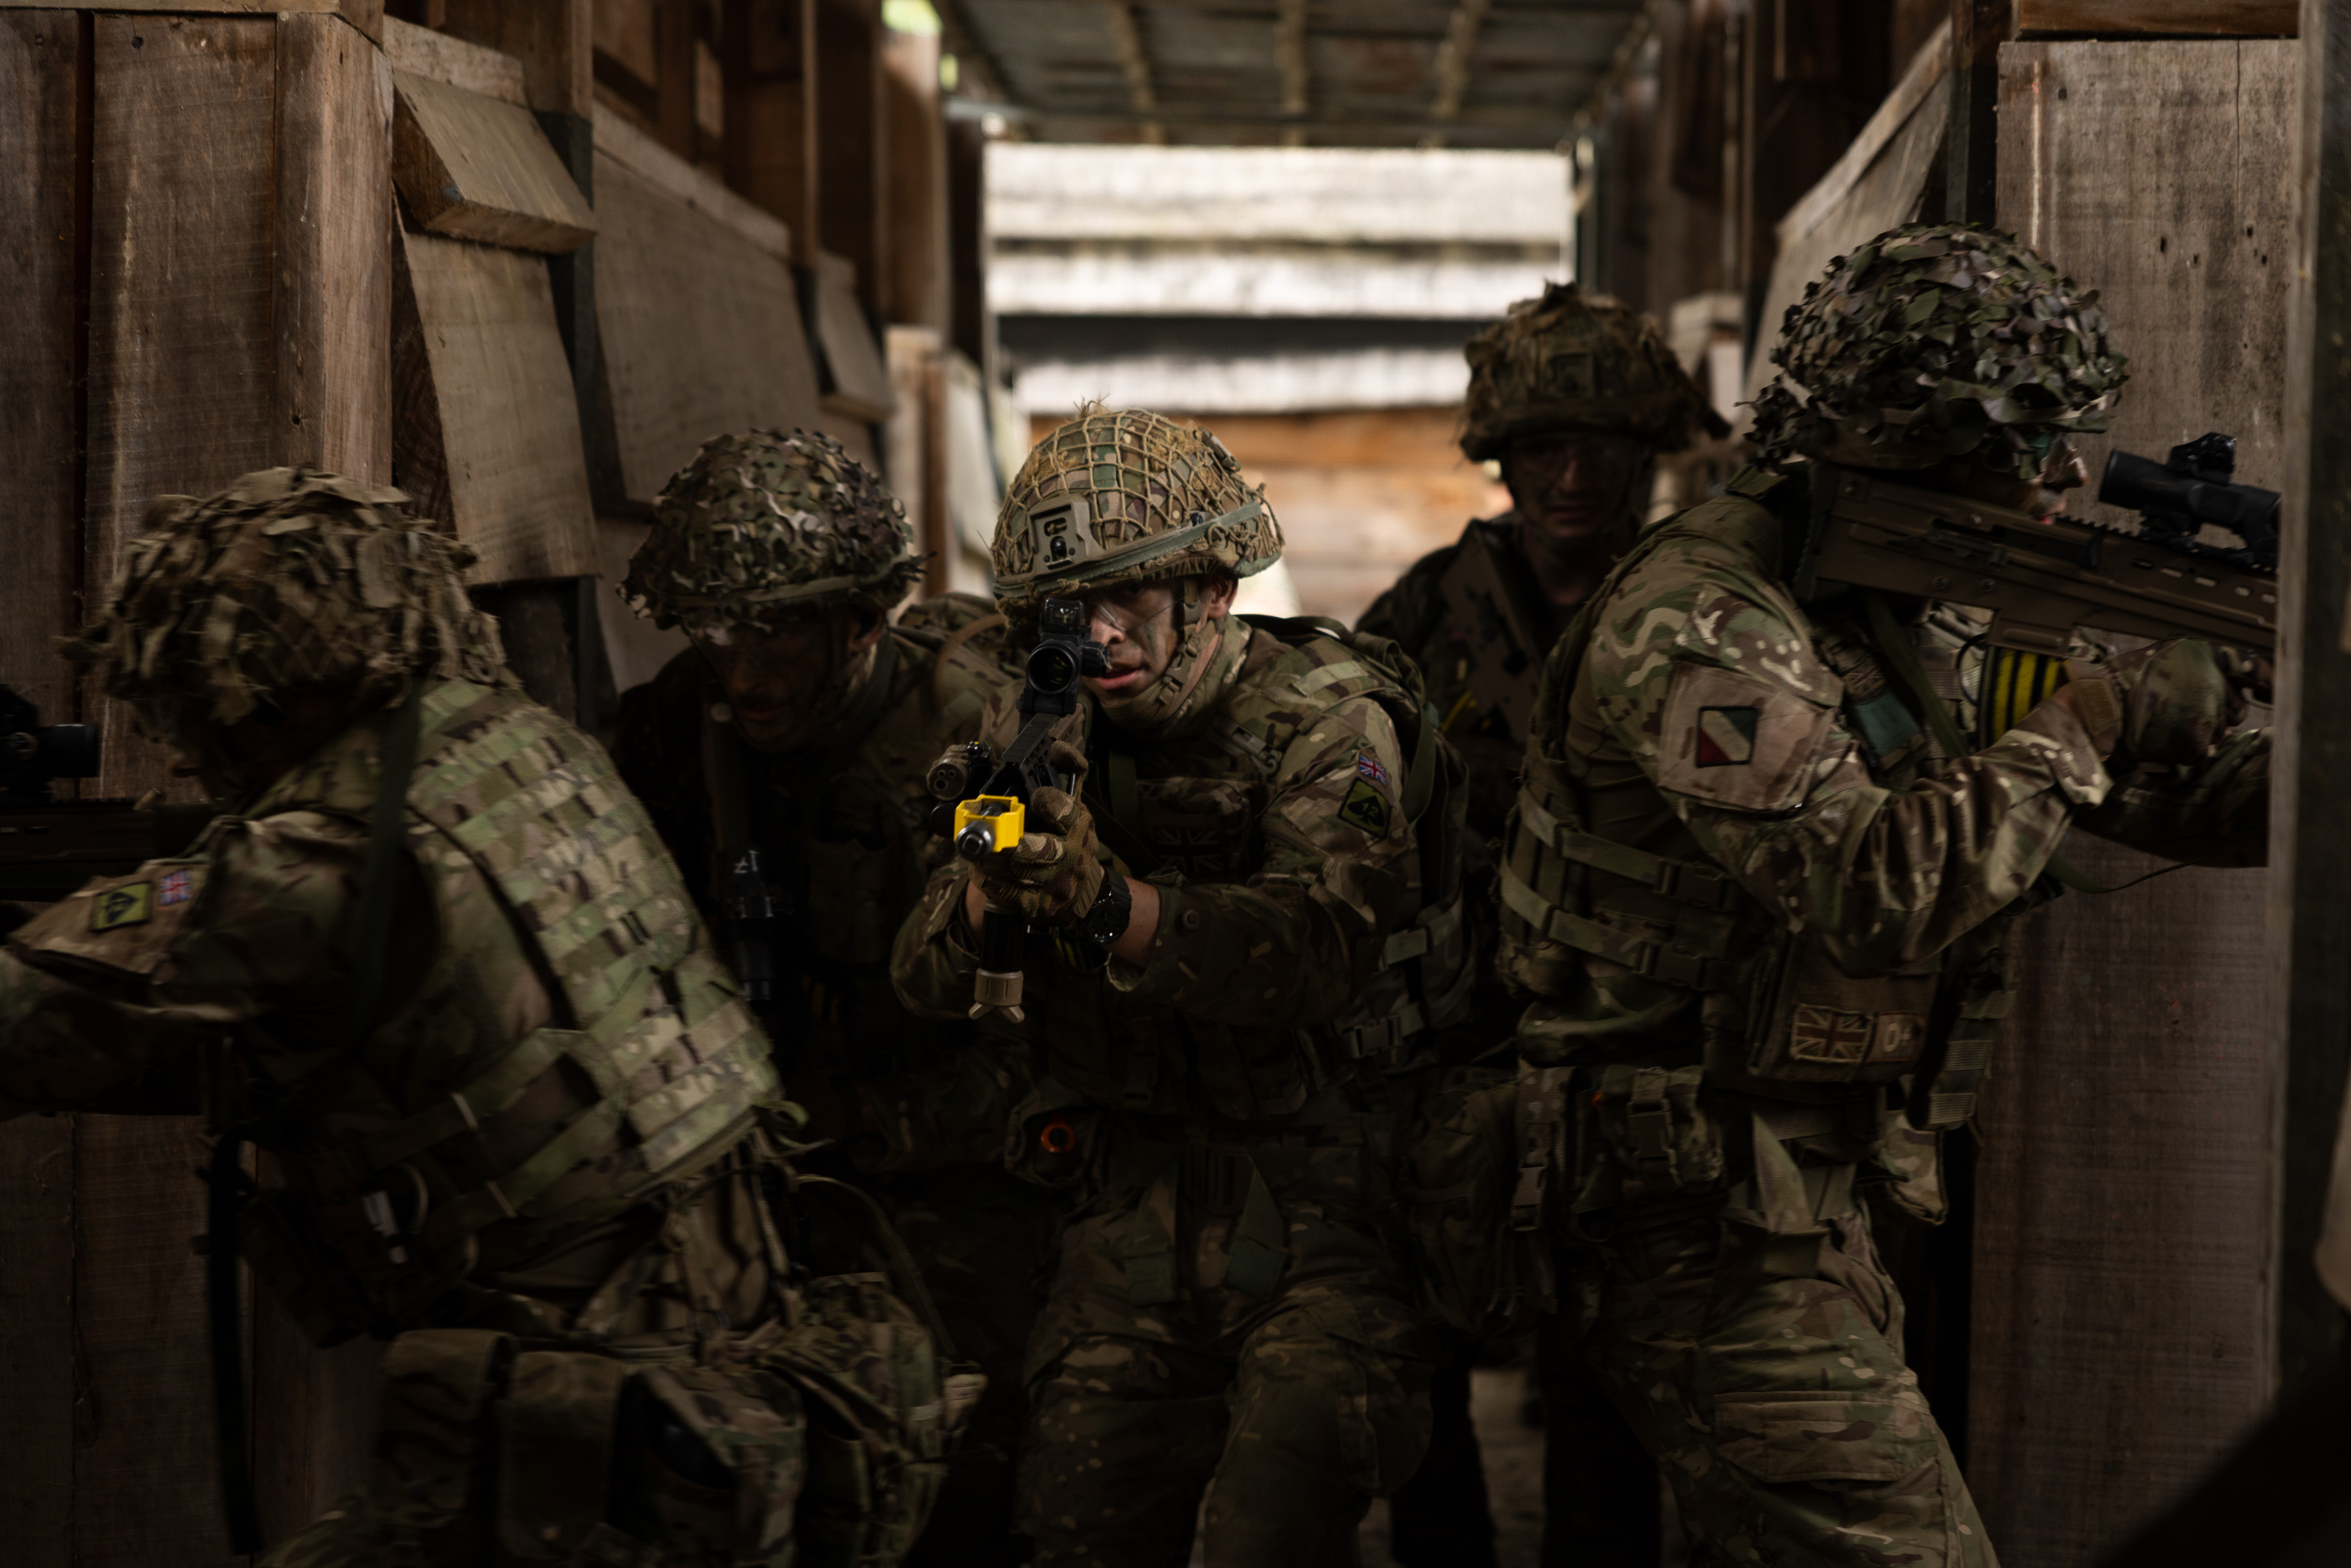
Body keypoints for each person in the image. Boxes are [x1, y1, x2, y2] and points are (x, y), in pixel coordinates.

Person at [0, 469, 966, 1567]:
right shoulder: (535, 751)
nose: (192, 751)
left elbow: (25, 1020)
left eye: (191, 711)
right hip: (744, 1381)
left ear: (262, 691)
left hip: (608, 1451)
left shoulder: (321, 860)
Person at [1494, 224, 2272, 1563]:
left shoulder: (1893, 600)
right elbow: (1869, 887)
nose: (2065, 475)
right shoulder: (1704, 615)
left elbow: (2137, 800)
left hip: (1801, 1199)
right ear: (1902, 448)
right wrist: (2106, 708)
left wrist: (2277, 751)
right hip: (1684, 1210)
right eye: (2025, 442)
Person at [890, 408, 1473, 1566]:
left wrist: (1105, 904)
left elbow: (1318, 949)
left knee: (1268, 1533)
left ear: (1211, 589)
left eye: (1129, 598)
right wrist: (994, 893)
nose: (1099, 635)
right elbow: (922, 976)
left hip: (1327, 1198)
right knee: (1078, 1527)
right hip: (1131, 1203)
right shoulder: (1037, 724)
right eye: (1069, 609)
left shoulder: (1330, 718)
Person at [610, 428, 1057, 1567]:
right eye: (716, 631)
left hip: (960, 1158)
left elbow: (1043, 1041)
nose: (744, 672)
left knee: (960, 1465)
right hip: (756, 1151)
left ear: (860, 619)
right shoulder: (681, 726)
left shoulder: (980, 749)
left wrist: (861, 1119)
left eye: (776, 631)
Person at [1359, 281, 1723, 1568]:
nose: (1574, 477)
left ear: (1646, 454)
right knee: (1420, 1356)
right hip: (1457, 1048)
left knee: (1610, 1374)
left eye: (1603, 448)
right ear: (1502, 458)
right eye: (1545, 447)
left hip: (1635, 1047)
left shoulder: (1702, 607)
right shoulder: (1423, 616)